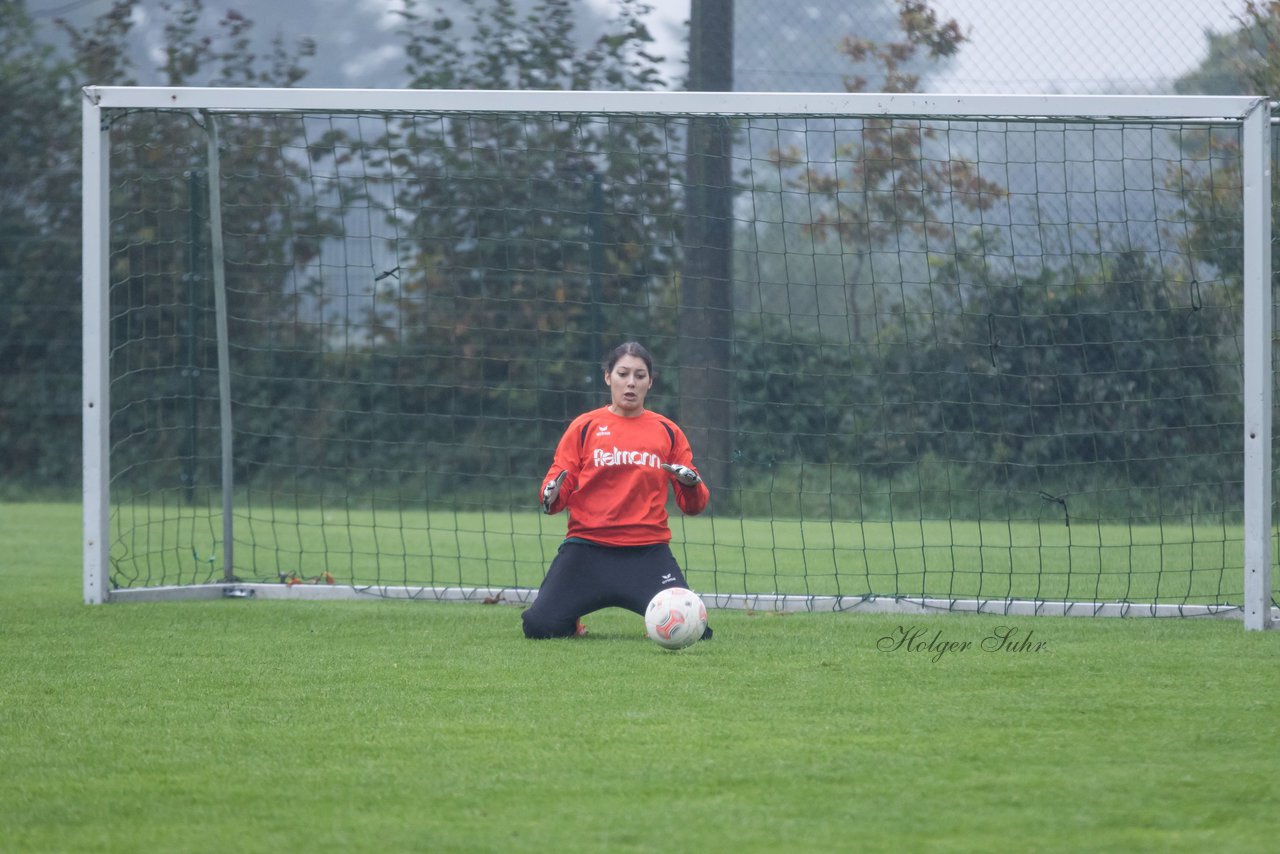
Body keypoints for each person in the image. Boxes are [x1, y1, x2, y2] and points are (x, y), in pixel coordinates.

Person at [522, 341, 712, 640]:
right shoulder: (584, 427)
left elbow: (693, 505)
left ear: (650, 381)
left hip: (647, 553)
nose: (631, 383)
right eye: (623, 374)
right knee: (539, 627)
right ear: (608, 376)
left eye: (639, 375)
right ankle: (572, 620)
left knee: (696, 633)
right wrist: (550, 493)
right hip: (587, 549)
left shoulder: (667, 431)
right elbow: (558, 490)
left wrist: (693, 484)